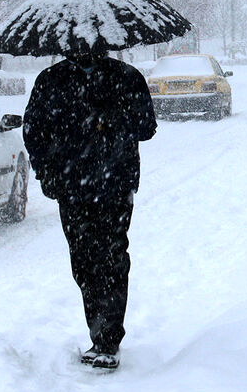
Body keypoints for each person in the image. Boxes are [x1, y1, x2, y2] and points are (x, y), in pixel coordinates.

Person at [22, 48, 157, 370]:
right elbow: (33, 132)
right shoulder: (51, 80)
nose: (83, 49)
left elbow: (146, 128)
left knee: (112, 258)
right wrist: (47, 173)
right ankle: (98, 331)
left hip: (115, 184)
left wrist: (112, 115)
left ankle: (108, 339)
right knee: (83, 261)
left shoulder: (125, 77)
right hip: (72, 187)